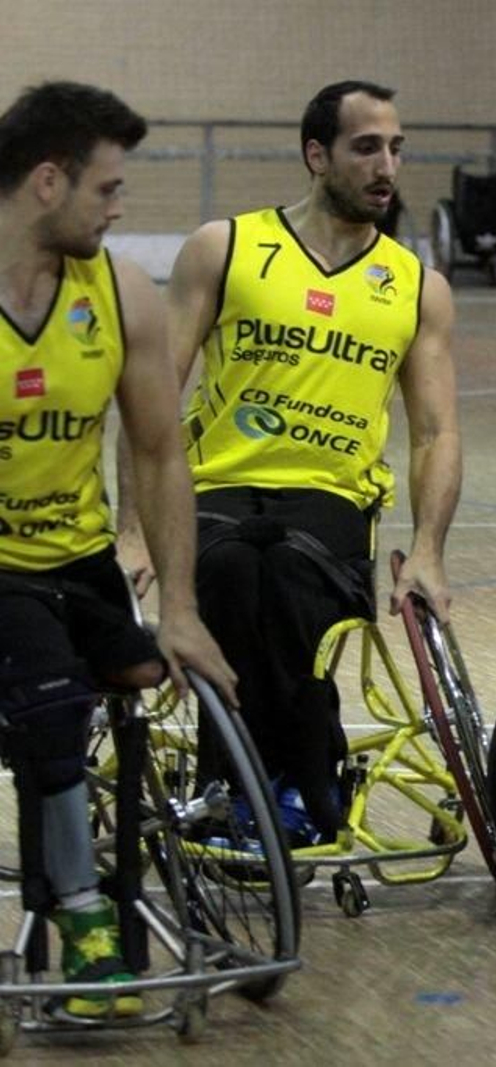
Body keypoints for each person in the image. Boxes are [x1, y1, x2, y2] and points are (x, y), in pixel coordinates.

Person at [140, 80, 461, 845]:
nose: (387, 165)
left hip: (329, 499)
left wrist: (429, 552)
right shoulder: (227, 247)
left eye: (396, 148)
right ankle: (255, 778)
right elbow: (151, 401)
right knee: (225, 571)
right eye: (366, 147)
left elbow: (436, 432)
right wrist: (130, 528)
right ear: (316, 155)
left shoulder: (418, 287)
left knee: (282, 574)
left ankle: (290, 777)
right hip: (214, 485)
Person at [0, 81, 235, 1018]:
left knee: (157, 675)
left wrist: (177, 605)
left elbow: (156, 450)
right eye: (106, 188)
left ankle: (132, 873)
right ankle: (90, 926)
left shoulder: (120, 292)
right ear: (47, 181)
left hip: (80, 561)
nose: (120, 206)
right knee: (50, 700)